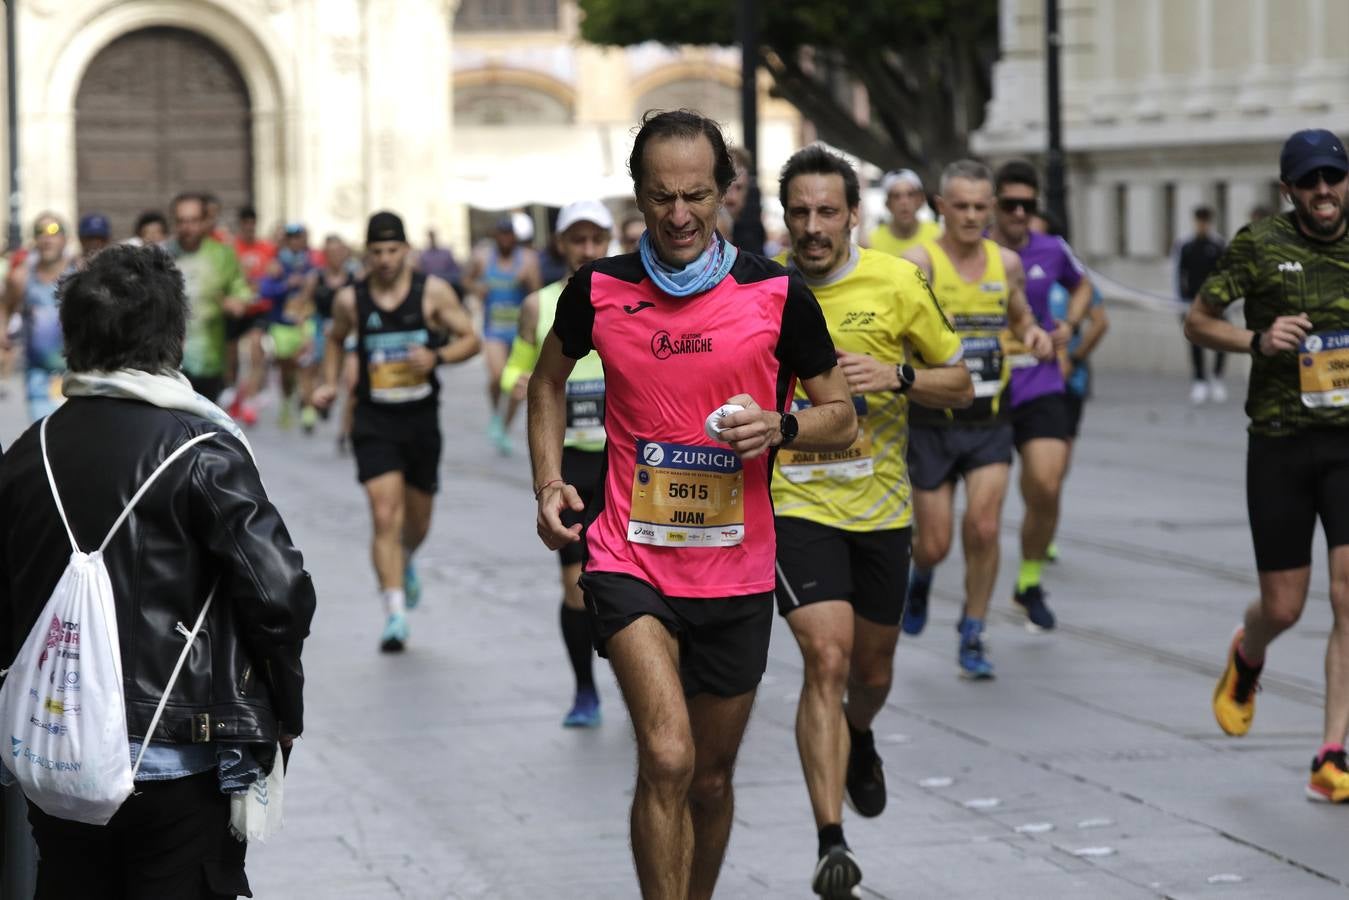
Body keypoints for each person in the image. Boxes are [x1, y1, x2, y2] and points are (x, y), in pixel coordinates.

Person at [529, 110, 856, 900]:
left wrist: (781, 426)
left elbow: (842, 417)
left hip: (736, 572)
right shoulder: (598, 288)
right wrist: (547, 484)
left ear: (726, 196)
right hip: (627, 554)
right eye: (660, 197)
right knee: (668, 756)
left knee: (708, 781)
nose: (678, 216)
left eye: (696, 196)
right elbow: (543, 383)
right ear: (637, 194)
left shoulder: (775, 293)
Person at [0, 243, 315, 899]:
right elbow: (279, 593)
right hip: (176, 754)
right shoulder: (202, 449)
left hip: (53, 755)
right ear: (173, 339)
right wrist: (284, 709)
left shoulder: (27, 455)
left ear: (73, 342)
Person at [770, 147, 974, 896]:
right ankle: (832, 843)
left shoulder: (895, 281)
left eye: (828, 211)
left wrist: (898, 376)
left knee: (871, 671)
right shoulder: (761, 287)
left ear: (854, 213)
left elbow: (961, 382)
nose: (813, 227)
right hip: (794, 503)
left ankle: (858, 733)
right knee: (825, 658)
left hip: (882, 508)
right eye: (800, 213)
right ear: (784, 216)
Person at [1186, 128, 1349, 804]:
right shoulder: (1256, 247)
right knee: (1282, 605)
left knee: (1347, 596)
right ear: (1287, 189)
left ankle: (1332, 751)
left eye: (1332, 179)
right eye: (1308, 181)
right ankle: (1246, 654)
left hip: (1347, 442)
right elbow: (1197, 321)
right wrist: (1255, 338)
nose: (1322, 192)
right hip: (1279, 443)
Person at [900, 161, 1053, 681]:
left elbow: (1019, 313)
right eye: (959, 205)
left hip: (990, 416)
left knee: (985, 527)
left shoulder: (1005, 262)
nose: (970, 216)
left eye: (979, 207)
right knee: (936, 542)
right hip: (931, 419)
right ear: (941, 206)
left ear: (991, 209)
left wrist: (1033, 332)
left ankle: (973, 628)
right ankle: (921, 574)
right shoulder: (918, 262)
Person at [312, 211, 480, 652]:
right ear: (365, 255)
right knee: (385, 514)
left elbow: (470, 338)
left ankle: (404, 559)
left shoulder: (433, 293)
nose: (385, 260)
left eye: (392, 250)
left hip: (420, 419)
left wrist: (437, 358)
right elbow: (334, 338)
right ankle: (395, 613)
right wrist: (329, 383)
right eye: (376, 252)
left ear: (405, 250)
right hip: (374, 419)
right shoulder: (351, 299)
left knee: (418, 520)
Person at [502, 199, 614, 728]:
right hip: (569, 463)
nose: (588, 250)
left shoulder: (630, 297)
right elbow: (518, 370)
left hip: (622, 460)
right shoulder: (539, 304)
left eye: (597, 240)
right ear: (562, 245)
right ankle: (585, 691)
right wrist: (517, 383)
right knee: (575, 587)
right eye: (578, 240)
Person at [985, 160, 1095, 631]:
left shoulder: (1051, 249)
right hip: (985, 391)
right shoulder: (976, 251)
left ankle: (1029, 582)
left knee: (1047, 485)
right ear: (994, 205)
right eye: (1009, 203)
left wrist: (1068, 325)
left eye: (1026, 205)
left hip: (1043, 382)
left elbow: (1084, 284)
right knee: (983, 513)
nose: (1018, 212)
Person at [1032, 210, 1109, 564]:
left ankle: (1044, 532)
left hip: (1066, 384)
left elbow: (1100, 322)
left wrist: (1075, 358)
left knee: (1055, 471)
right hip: (1021, 382)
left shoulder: (1067, 277)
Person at [165, 193, 252, 402]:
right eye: (181, 221)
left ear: (205, 222)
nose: (187, 227)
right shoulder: (162, 255)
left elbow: (241, 291)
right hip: (167, 362)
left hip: (209, 359)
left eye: (193, 221)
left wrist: (237, 303)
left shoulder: (222, 255)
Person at [466, 216, 541, 454]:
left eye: (510, 234)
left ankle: (503, 426)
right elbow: (466, 279)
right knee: (497, 376)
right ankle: (496, 414)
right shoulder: (483, 257)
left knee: (517, 384)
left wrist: (527, 281)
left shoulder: (527, 260)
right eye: (502, 234)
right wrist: (477, 288)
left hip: (520, 331)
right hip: (494, 329)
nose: (506, 239)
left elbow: (538, 293)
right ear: (495, 235)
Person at [2, 214, 73, 422]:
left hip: (75, 373)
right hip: (38, 375)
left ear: (65, 238)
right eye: (40, 233)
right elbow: (5, 306)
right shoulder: (22, 277)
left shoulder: (79, 273)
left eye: (53, 232)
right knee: (42, 433)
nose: (47, 239)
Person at [258, 224, 317, 429]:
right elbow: (264, 291)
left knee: (306, 367)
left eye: (298, 237)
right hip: (281, 326)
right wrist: (286, 285)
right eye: (291, 238)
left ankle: (309, 411)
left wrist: (311, 285)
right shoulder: (277, 263)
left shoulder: (311, 263)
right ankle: (286, 401)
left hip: (304, 324)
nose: (295, 241)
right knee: (286, 370)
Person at [229, 206, 278, 426]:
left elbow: (275, 271)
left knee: (257, 349)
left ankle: (250, 400)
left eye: (252, 224)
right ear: (240, 225)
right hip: (238, 309)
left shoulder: (267, 248)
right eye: (245, 224)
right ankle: (234, 393)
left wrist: (271, 274)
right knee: (231, 359)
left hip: (259, 310)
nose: (249, 228)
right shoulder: (231, 249)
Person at [1177, 206, 1228, 404]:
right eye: (1199, 221)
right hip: (1192, 302)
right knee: (1195, 342)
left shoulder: (1217, 245)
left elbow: (1225, 273)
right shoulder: (1186, 245)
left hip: (1215, 302)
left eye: (1205, 221)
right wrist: (1181, 303)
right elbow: (1179, 275)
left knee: (1221, 340)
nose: (1202, 225)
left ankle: (1216, 377)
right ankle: (1199, 379)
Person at [865, 169, 941, 258]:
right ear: (887, 204)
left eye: (910, 195)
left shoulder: (938, 236)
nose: (904, 202)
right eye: (896, 196)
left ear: (920, 200)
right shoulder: (871, 243)